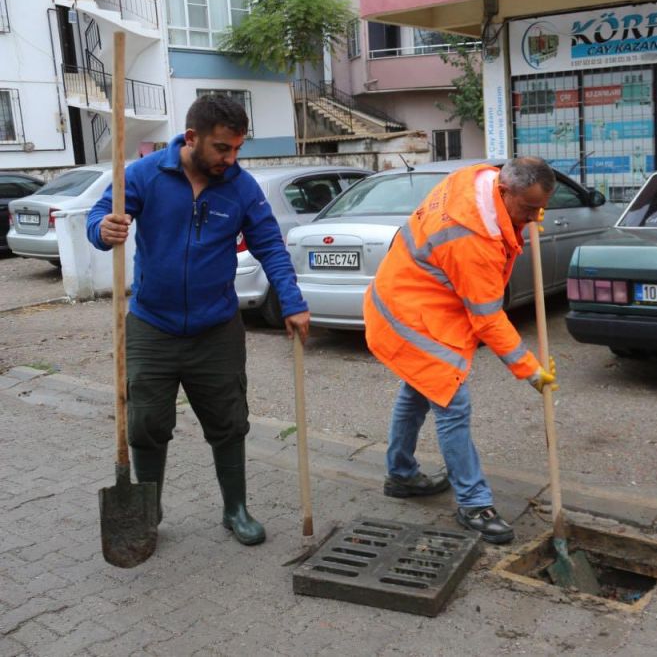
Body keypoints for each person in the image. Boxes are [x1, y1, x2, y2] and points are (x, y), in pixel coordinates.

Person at [86, 94, 311, 546]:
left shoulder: (242, 188)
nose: (231, 158)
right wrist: (102, 230)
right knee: (146, 423)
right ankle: (148, 511)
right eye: (223, 148)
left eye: (237, 149)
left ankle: (236, 509)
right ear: (192, 138)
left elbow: (269, 244)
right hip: (152, 325)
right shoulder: (145, 176)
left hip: (217, 329)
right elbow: (100, 216)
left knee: (229, 421)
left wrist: (291, 300)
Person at [363, 157, 558, 544]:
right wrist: (530, 370)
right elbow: (487, 317)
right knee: (452, 402)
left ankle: (400, 475)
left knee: (418, 391)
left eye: (541, 208)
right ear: (503, 193)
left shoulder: (480, 177)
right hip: (413, 316)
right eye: (528, 208)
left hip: (407, 293)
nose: (535, 217)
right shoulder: (472, 238)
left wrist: (524, 217)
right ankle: (474, 504)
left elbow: (508, 222)